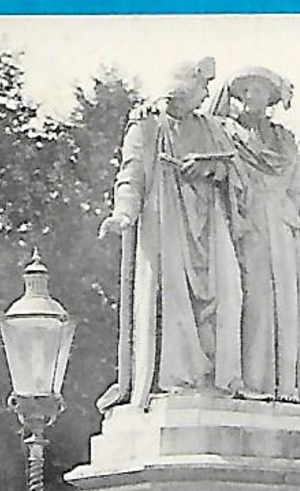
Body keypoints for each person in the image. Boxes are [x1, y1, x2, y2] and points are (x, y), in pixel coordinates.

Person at [97, 57, 244, 411]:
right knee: (175, 302)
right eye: (202, 85)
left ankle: (218, 376)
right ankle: (181, 379)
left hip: (210, 226)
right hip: (167, 222)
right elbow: (131, 175)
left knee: (229, 293)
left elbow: (233, 171)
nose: (207, 93)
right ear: (183, 85)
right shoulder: (147, 127)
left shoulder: (210, 127)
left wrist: (209, 168)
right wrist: (122, 215)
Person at [210, 66, 300, 403]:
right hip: (247, 225)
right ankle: (252, 383)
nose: (252, 97)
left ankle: (288, 386)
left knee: (289, 307)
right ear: (237, 95)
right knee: (256, 302)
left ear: (271, 98)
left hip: (284, 227)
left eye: (260, 91)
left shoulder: (284, 140)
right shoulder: (223, 132)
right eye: (246, 91)